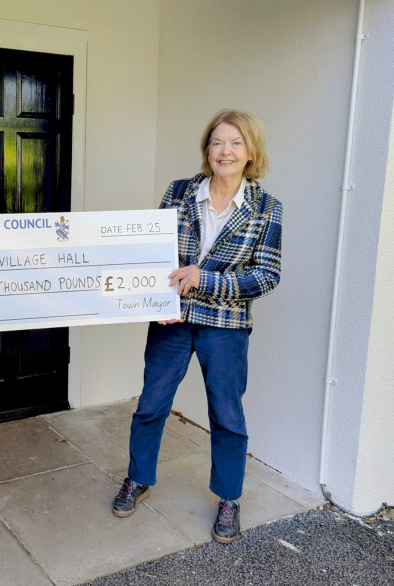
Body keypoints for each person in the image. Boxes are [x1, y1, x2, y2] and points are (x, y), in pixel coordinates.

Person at [112, 109, 282, 544]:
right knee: (151, 403)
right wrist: (155, 298)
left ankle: (228, 497)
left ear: (250, 152)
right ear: (207, 149)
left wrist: (205, 279)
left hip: (225, 326)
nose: (225, 151)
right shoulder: (180, 191)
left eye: (235, 143)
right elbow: (153, 252)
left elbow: (266, 275)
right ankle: (138, 477)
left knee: (227, 416)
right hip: (172, 319)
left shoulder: (267, 209)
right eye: (217, 142)